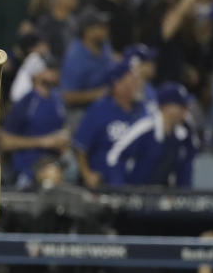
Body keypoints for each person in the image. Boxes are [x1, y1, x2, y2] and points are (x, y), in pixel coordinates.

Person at [105, 82, 197, 187]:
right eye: (181, 106)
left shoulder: (183, 135)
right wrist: (119, 187)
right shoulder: (146, 127)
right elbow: (114, 156)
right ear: (166, 107)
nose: (185, 111)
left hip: (160, 195)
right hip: (134, 194)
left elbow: (185, 168)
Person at [72, 60, 144, 189]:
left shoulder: (142, 111)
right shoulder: (99, 109)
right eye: (132, 80)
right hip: (105, 183)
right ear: (117, 85)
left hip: (136, 183)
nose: (137, 84)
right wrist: (87, 173)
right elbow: (79, 146)